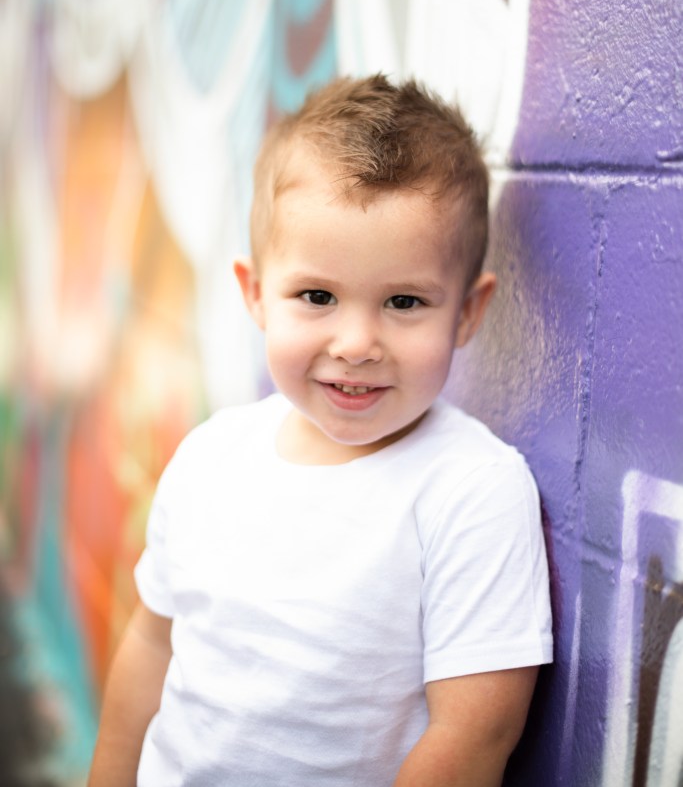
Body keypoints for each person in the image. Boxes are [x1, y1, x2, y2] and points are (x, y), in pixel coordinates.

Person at [88, 74, 553, 787]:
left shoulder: (472, 489)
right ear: (255, 294)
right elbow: (152, 644)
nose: (357, 343)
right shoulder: (211, 457)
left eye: (404, 301)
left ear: (466, 311)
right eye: (316, 295)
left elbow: (474, 733)